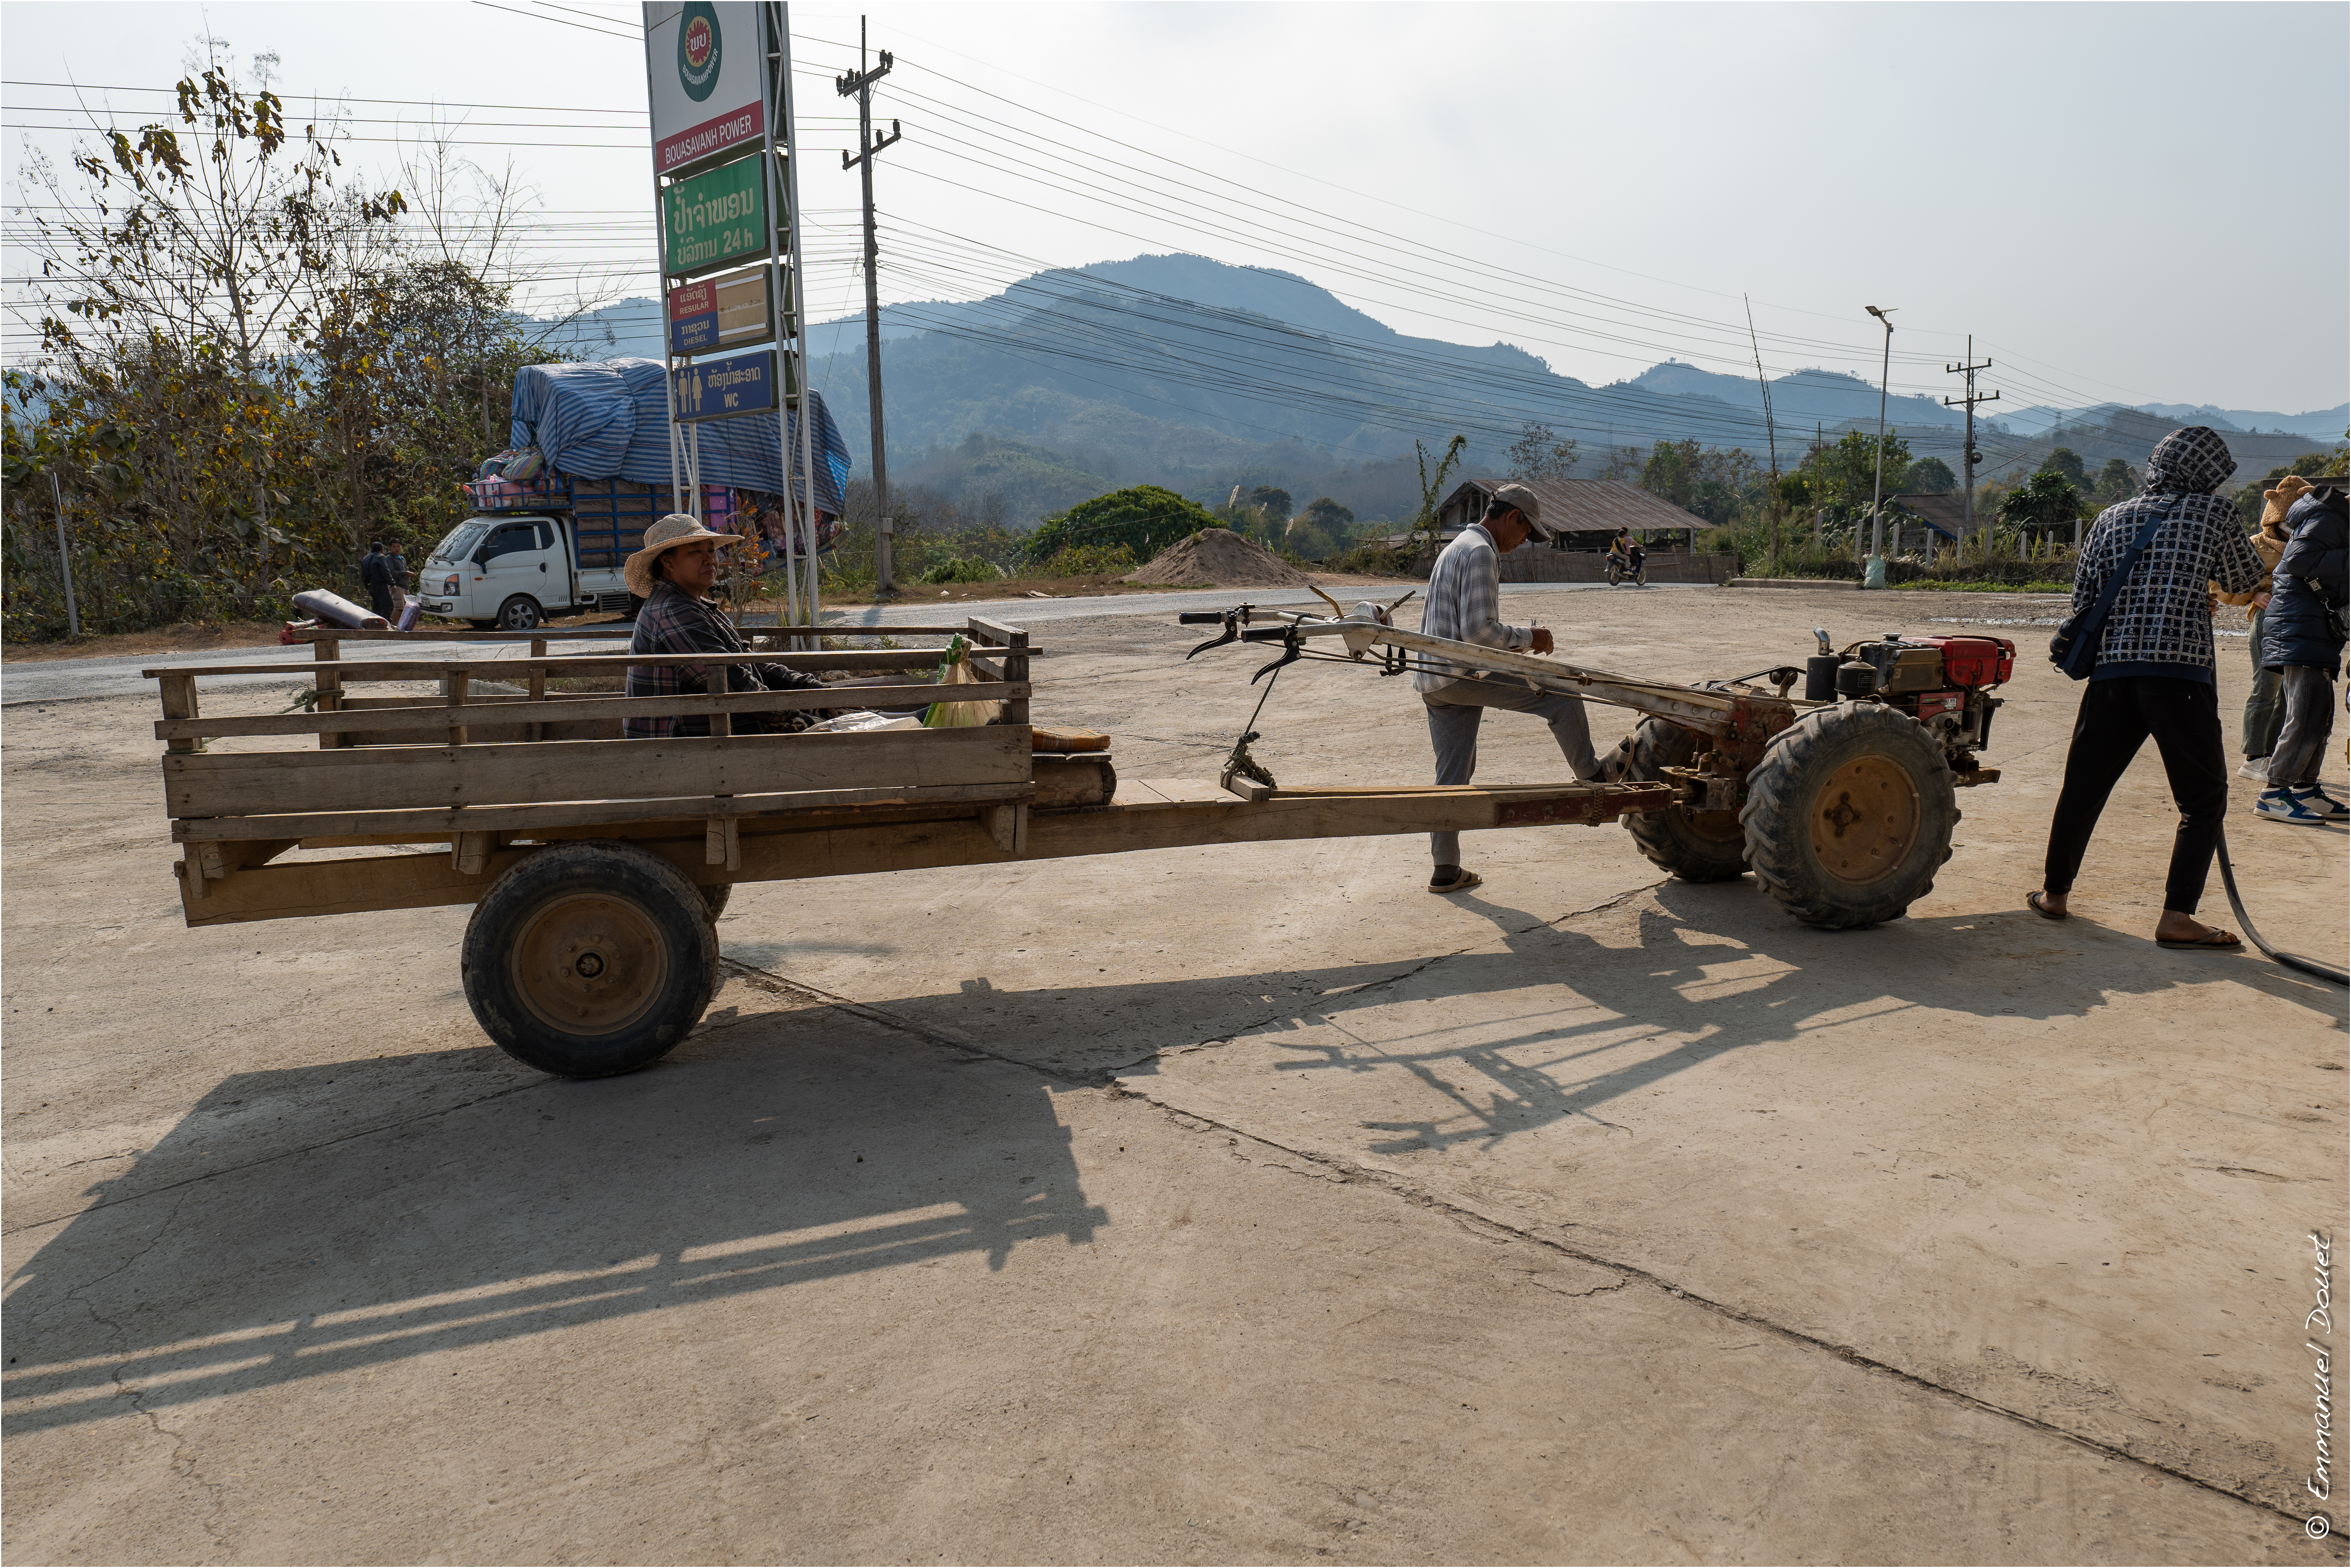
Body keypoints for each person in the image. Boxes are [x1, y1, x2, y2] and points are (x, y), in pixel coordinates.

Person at [2029, 426, 2268, 950]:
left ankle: (2054, 894)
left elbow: (2084, 598)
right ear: (2207, 473)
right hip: (2178, 673)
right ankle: (2176, 917)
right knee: (2202, 800)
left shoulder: (2109, 517)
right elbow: (2243, 578)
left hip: (2112, 672)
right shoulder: (2213, 512)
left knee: (2083, 787)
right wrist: (2194, 587)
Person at [1417, 481, 1618, 894]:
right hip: (1461, 674)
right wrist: (1533, 637)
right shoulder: (1480, 553)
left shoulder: (1456, 546)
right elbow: (1478, 632)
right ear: (1512, 518)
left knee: (1452, 776)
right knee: (1561, 693)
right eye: (1527, 532)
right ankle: (1593, 775)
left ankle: (1446, 869)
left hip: (1434, 680)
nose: (1525, 541)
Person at [620, 514, 830, 740]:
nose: (710, 560)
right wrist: (796, 711)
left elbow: (751, 666)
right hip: (682, 742)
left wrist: (809, 689)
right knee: (830, 732)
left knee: (837, 719)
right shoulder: (673, 610)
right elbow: (730, 682)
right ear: (668, 562)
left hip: (711, 728)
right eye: (696, 552)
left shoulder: (697, 606)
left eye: (711, 551)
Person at [2254, 480, 2349, 824]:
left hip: (2313, 626)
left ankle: (2306, 790)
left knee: (2320, 716)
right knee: (2306, 715)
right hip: (2299, 626)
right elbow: (2299, 560)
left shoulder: (2337, 517)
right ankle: (2273, 795)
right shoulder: (2331, 517)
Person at [2217, 474, 2308, 776]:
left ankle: (2272, 756)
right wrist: (2254, 594)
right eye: (2287, 518)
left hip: (2298, 620)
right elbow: (2218, 582)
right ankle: (2253, 757)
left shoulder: (2310, 541)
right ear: (2275, 517)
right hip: (2267, 620)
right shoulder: (2253, 545)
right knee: (2266, 687)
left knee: (2287, 691)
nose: (2291, 524)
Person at [357, 539, 394, 620]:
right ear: (382, 550)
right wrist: (392, 584)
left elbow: (363, 574)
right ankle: (387, 624)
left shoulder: (365, 558)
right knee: (388, 605)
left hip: (371, 585)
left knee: (377, 605)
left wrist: (367, 586)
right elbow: (385, 571)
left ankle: (376, 625)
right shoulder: (381, 557)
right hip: (380, 584)